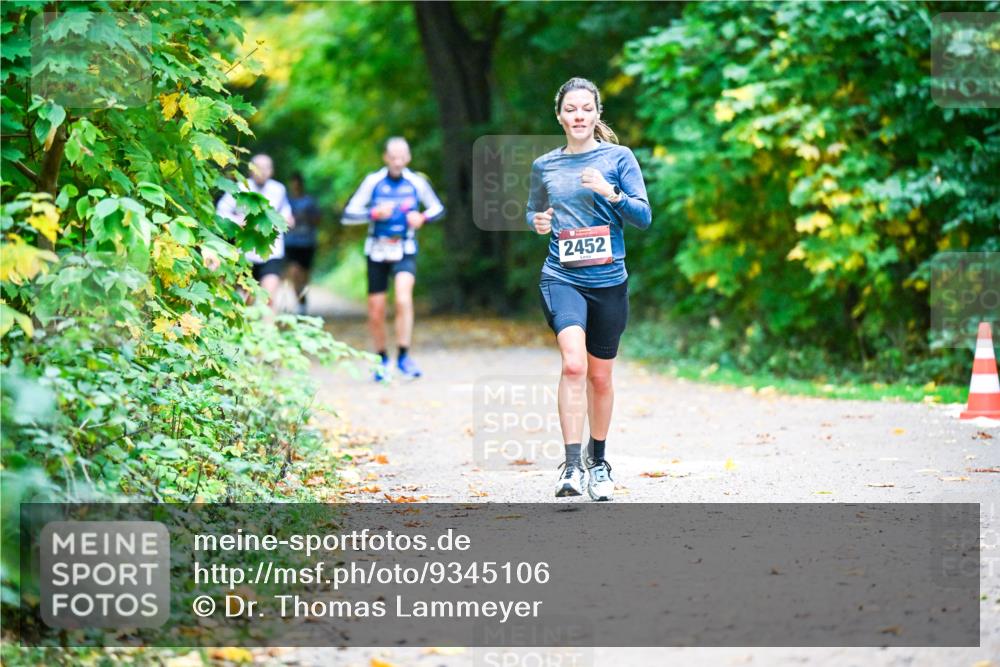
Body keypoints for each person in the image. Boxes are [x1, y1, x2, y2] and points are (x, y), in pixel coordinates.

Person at [526, 77, 652, 501]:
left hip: (609, 281)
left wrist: (609, 192)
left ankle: (599, 463)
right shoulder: (545, 165)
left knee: (600, 377)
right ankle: (572, 465)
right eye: (570, 109)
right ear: (559, 116)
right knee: (574, 365)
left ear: (597, 114)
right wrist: (538, 222)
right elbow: (534, 211)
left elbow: (643, 217)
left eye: (586, 108)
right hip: (562, 276)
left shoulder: (619, 157)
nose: (578, 115)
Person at [341, 137, 444, 381]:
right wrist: (373, 213)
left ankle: (404, 356)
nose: (397, 161)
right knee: (376, 310)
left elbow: (437, 208)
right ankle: (381, 359)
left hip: (405, 248)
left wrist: (423, 218)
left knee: (403, 299)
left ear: (408, 158)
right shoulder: (373, 181)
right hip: (376, 250)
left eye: (402, 157)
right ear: (386, 158)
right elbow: (347, 215)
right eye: (393, 157)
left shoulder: (416, 182)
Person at [215, 154, 294, 311]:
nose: (262, 171)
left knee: (269, 299)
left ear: (271, 171)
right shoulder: (240, 187)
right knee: (248, 300)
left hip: (272, 252)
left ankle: (268, 333)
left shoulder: (278, 189)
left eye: (266, 168)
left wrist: (287, 221)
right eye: (258, 167)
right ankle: (249, 332)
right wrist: (240, 222)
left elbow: (286, 215)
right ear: (251, 170)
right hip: (246, 252)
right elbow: (220, 213)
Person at [285, 172, 321, 315]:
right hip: (291, 242)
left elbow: (318, 219)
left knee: (305, 275)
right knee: (294, 272)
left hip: (307, 243)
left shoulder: (309, 201)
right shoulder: (286, 201)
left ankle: (303, 299)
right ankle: (299, 301)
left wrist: (306, 217)